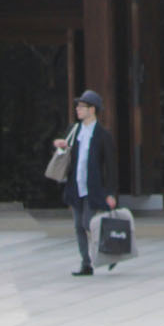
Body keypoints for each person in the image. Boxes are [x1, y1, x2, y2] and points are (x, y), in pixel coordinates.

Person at [54, 89, 112, 277]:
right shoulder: (74, 130)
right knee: (79, 226)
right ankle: (86, 263)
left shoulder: (103, 135)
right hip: (75, 186)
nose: (78, 109)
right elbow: (67, 156)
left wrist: (111, 193)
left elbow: (111, 167)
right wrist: (60, 146)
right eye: (78, 106)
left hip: (93, 188)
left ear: (92, 109)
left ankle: (111, 252)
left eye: (82, 106)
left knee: (88, 223)